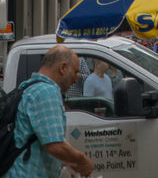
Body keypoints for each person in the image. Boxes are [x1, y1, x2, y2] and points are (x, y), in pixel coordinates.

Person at [9, 44, 95, 178]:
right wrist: (82, 160)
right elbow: (55, 145)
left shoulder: (28, 87)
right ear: (63, 68)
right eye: (75, 72)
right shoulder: (47, 92)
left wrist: (67, 162)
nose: (75, 79)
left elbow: (41, 140)